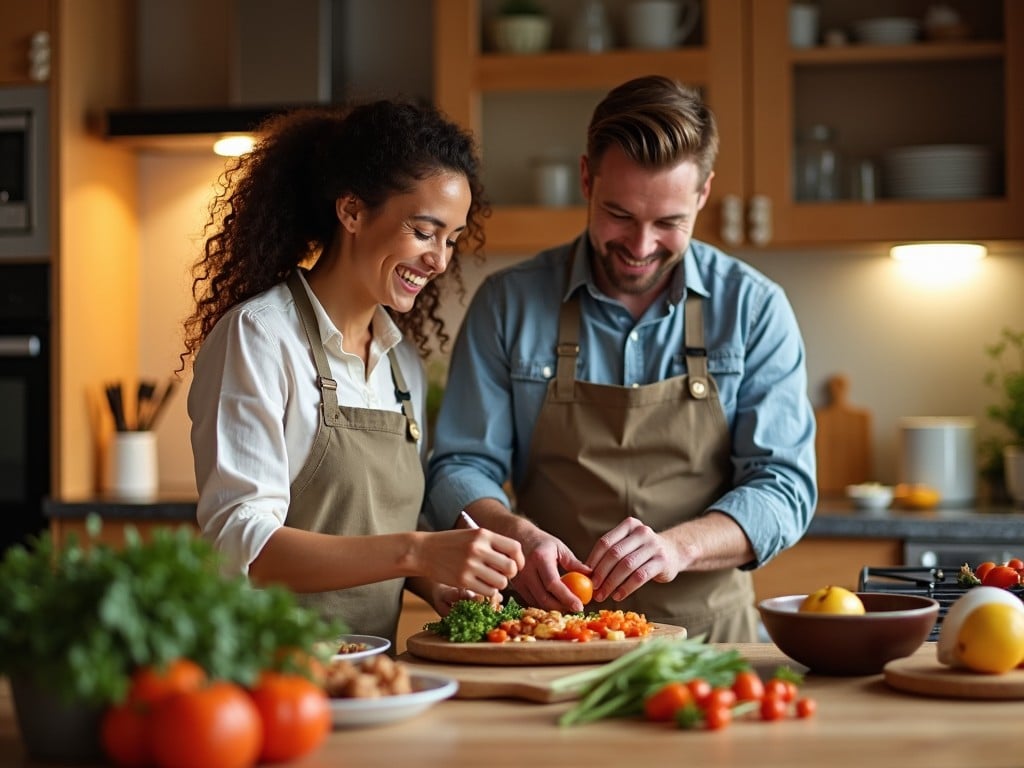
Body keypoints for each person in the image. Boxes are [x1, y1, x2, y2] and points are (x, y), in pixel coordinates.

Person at [426, 76, 817, 642]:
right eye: (619, 214)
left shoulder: (753, 309)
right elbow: (459, 466)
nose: (639, 246)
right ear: (587, 178)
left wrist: (678, 547)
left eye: (668, 223)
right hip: (546, 635)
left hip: (711, 639)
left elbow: (783, 486)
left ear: (703, 194)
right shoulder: (509, 303)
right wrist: (516, 533)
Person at [184, 99, 524, 646]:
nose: (439, 260)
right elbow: (243, 544)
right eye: (423, 230)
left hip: (367, 676)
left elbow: (370, 534)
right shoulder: (260, 337)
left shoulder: (400, 363)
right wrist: (419, 549)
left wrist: (435, 581)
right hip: (268, 672)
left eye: (452, 239)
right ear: (353, 212)